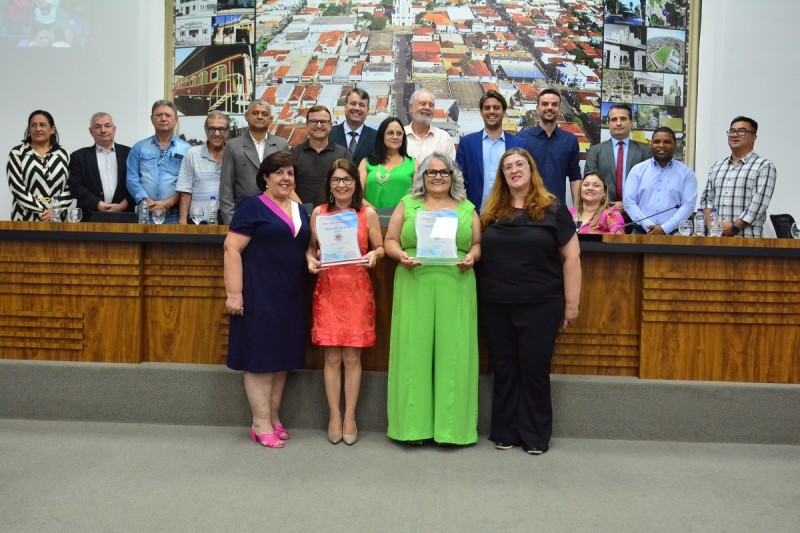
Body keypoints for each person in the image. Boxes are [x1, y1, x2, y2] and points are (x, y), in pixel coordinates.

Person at [477, 148, 581, 455]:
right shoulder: (492, 211)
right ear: (502, 175)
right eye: (507, 167)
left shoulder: (553, 208)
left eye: (519, 164)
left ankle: (535, 435)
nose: (514, 170)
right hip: (496, 304)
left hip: (541, 304)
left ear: (530, 169)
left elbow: (571, 256)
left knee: (534, 368)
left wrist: (572, 303)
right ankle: (505, 431)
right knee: (505, 368)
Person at [384, 151, 481, 446]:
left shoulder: (467, 207)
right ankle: (412, 428)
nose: (438, 177)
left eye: (443, 172)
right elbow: (390, 240)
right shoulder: (407, 204)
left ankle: (452, 430)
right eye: (431, 172)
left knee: (455, 356)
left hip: (457, 282)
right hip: (415, 280)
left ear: (453, 177)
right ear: (422, 177)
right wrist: (399, 255)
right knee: (413, 353)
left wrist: (473, 259)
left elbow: (476, 244)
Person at [223, 151, 311, 449]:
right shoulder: (252, 206)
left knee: (281, 360)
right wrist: (234, 293)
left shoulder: (300, 210)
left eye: (290, 173)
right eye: (279, 173)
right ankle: (259, 422)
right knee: (260, 360)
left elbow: (308, 247)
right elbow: (231, 249)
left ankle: (273, 417)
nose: (286, 178)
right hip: (259, 294)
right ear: (266, 177)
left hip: (292, 295)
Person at [306, 159, 384, 445]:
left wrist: (375, 256)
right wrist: (311, 261)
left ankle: (350, 416)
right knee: (331, 357)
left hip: (357, 290)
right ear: (329, 184)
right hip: (328, 289)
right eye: (336, 180)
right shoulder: (319, 213)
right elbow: (311, 251)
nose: (341, 185)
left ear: (356, 184)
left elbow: (379, 248)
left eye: (347, 180)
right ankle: (334, 416)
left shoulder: (368, 213)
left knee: (352, 357)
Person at [700, 116, 777, 238]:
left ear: (754, 137)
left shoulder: (763, 166)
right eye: (732, 131)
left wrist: (735, 227)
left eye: (741, 131)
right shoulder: (717, 166)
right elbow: (706, 199)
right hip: (715, 240)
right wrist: (711, 226)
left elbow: (758, 203)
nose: (735, 135)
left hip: (746, 241)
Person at [455, 89, 527, 212]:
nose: (491, 111)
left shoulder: (519, 144)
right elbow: (458, 182)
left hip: (509, 216)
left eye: (496, 107)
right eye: (487, 108)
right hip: (476, 214)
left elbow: (525, 181)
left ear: (504, 112)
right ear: (481, 112)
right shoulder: (467, 143)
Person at [219, 100, 289, 224]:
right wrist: (230, 223)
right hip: (243, 216)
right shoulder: (233, 146)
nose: (260, 117)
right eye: (255, 113)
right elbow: (226, 189)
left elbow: (288, 183)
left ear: (271, 119)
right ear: (247, 116)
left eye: (264, 114)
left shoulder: (281, 145)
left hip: (277, 215)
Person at [126, 100, 191, 224]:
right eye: (159, 115)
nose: (163, 119)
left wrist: (167, 204)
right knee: (142, 244)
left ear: (176, 120)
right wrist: (148, 203)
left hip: (173, 214)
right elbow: (132, 179)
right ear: (151, 119)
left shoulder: (187, 150)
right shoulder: (139, 148)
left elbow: (188, 184)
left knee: (171, 244)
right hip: (145, 213)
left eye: (168, 115)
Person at [623, 127, 697, 235]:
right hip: (641, 231)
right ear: (650, 145)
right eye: (657, 142)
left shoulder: (687, 173)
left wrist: (665, 228)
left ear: (675, 145)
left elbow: (688, 205)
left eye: (667, 142)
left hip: (675, 231)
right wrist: (647, 225)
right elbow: (629, 201)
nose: (661, 145)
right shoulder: (637, 170)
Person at [518, 88, 581, 204]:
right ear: (537, 109)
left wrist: (577, 210)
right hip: (528, 209)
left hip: (558, 210)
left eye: (554, 104)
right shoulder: (522, 138)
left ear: (559, 109)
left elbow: (575, 177)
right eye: (545, 104)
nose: (550, 108)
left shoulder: (570, 140)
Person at [7, 110, 72, 221]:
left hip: (57, 217)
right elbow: (16, 187)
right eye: (33, 125)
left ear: (52, 129)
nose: (38, 129)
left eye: (42, 125)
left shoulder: (63, 154)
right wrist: (42, 211)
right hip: (24, 217)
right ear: (29, 130)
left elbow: (71, 186)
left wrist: (54, 210)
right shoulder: (17, 153)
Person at [68, 112, 133, 220]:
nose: (103, 130)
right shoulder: (78, 157)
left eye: (107, 126)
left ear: (114, 129)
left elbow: (136, 182)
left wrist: (124, 204)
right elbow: (76, 187)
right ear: (91, 131)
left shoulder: (129, 153)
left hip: (125, 216)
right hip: (90, 217)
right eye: (97, 127)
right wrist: (98, 204)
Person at [585, 104, 651, 207]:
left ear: (631, 122)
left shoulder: (645, 151)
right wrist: (607, 205)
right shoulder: (595, 151)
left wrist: (626, 205)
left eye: (623, 119)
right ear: (608, 123)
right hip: (602, 211)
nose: (618, 123)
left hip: (637, 212)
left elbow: (649, 184)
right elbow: (590, 184)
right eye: (614, 119)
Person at [291, 105, 352, 204]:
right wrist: (302, 210)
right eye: (314, 121)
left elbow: (349, 186)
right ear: (307, 125)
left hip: (334, 215)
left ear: (330, 126)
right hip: (302, 214)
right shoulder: (294, 153)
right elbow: (288, 187)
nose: (319, 125)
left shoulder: (343, 154)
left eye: (323, 122)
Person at [176, 111, 229, 225]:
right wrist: (183, 221)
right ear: (206, 130)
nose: (216, 133)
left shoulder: (234, 154)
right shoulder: (192, 154)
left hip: (228, 222)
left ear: (227, 132)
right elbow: (186, 191)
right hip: (198, 220)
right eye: (212, 129)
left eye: (221, 129)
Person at [358, 117, 416, 209]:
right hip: (372, 219)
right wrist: (378, 215)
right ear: (382, 136)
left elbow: (418, 197)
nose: (395, 137)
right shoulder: (366, 162)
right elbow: (357, 196)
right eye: (390, 133)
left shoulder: (413, 163)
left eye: (399, 133)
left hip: (403, 220)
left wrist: (397, 216)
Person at [404, 88, 456, 162]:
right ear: (411, 107)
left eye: (431, 105)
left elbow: (451, 169)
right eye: (423, 104)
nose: (427, 107)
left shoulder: (444, 138)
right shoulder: (400, 136)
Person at [330, 88, 377, 165]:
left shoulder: (376, 137)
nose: (357, 108)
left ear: (367, 110)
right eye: (353, 103)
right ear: (345, 107)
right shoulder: (329, 134)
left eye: (361, 105)